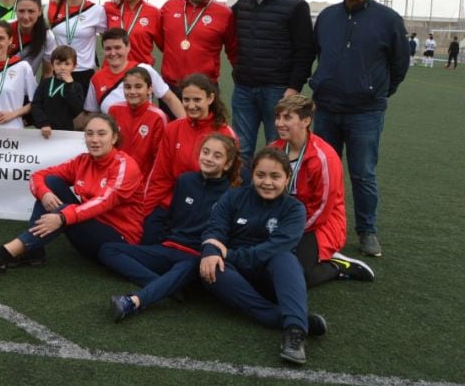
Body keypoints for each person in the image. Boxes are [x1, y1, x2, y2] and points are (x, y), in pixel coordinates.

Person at [310, 0, 409, 258]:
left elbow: (399, 65)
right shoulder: (327, 17)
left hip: (365, 113)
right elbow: (316, 54)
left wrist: (375, 91)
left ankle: (367, 231)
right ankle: (318, 225)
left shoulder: (388, 19)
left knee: (362, 173)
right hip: (326, 108)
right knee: (321, 170)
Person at [0, 113, 143, 274]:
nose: (94, 139)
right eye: (89, 134)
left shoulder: (125, 166)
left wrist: (63, 217)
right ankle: (32, 251)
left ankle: (4, 254)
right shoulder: (83, 160)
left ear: (114, 138)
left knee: (65, 210)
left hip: (118, 242)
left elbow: (104, 201)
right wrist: (44, 193)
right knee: (50, 183)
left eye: (101, 134)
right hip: (88, 232)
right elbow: (38, 176)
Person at [199, 147, 327, 366]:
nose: (267, 182)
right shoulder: (234, 196)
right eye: (261, 175)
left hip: (270, 278)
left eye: (275, 176)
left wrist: (228, 254)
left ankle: (294, 334)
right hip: (234, 275)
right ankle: (285, 318)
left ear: (287, 178)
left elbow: (274, 248)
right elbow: (214, 228)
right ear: (253, 175)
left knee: (285, 258)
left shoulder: (294, 209)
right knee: (210, 267)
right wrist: (211, 252)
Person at [101, 133, 240, 321]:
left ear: (227, 164)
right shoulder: (185, 181)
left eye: (217, 156)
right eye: (205, 152)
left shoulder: (232, 195)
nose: (208, 158)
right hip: (168, 248)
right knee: (108, 250)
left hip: (195, 257)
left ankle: (132, 302)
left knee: (188, 266)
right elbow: (173, 217)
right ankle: (166, 285)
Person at [268, 95, 375, 284]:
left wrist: (289, 231)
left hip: (319, 225)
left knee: (294, 276)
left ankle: (336, 266)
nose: (279, 123)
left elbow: (322, 210)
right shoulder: (273, 150)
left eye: (287, 118)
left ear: (306, 121)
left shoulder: (323, 157)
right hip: (282, 220)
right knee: (262, 266)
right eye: (277, 117)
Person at [230, 0, 315, 164]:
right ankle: (242, 196)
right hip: (244, 90)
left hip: (278, 91)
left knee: (278, 149)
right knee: (241, 149)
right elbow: (216, 15)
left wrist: (294, 87)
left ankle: (276, 196)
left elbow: (305, 51)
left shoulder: (296, 6)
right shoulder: (241, 5)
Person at [142, 73, 237, 215]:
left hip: (207, 209)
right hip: (171, 204)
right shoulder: (172, 129)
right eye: (186, 99)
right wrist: (144, 213)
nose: (191, 106)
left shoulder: (226, 134)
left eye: (197, 100)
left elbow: (233, 182)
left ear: (210, 98)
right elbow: (160, 177)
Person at [158, 0, 235, 108]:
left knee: (206, 131)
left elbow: (233, 50)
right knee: (171, 130)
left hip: (205, 89)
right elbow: (162, 42)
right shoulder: (170, 6)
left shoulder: (224, 14)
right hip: (170, 88)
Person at [83, 28, 183, 118]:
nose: (113, 53)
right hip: (112, 136)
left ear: (128, 47)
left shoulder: (144, 69)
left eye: (117, 48)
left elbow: (169, 98)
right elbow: (92, 114)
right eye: (108, 49)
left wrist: (187, 125)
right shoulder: (97, 78)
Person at [47, 0, 107, 92]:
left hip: (84, 72)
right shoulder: (53, 6)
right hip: (58, 70)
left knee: (83, 111)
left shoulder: (96, 11)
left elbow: (107, 39)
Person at [108, 66, 169, 180]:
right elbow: (107, 148)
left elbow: (160, 160)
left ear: (150, 89)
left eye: (138, 87)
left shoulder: (158, 117)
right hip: (115, 179)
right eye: (127, 87)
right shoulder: (114, 110)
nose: (132, 92)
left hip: (142, 184)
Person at [103, 0, 161, 66]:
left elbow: (163, 45)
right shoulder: (109, 8)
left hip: (139, 73)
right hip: (112, 70)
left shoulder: (153, 13)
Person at [30, 45, 85, 138]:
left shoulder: (76, 86)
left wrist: (68, 86)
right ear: (52, 65)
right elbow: (36, 105)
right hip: (45, 131)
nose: (62, 67)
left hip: (66, 133)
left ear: (74, 66)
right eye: (58, 63)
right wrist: (43, 123)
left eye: (67, 64)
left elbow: (77, 110)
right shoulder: (45, 83)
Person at [10, 0, 58, 78]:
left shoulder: (47, 36)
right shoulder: (5, 29)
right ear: (15, 10)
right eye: (21, 11)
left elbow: (48, 72)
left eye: (31, 11)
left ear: (40, 11)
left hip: (29, 86)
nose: (25, 16)